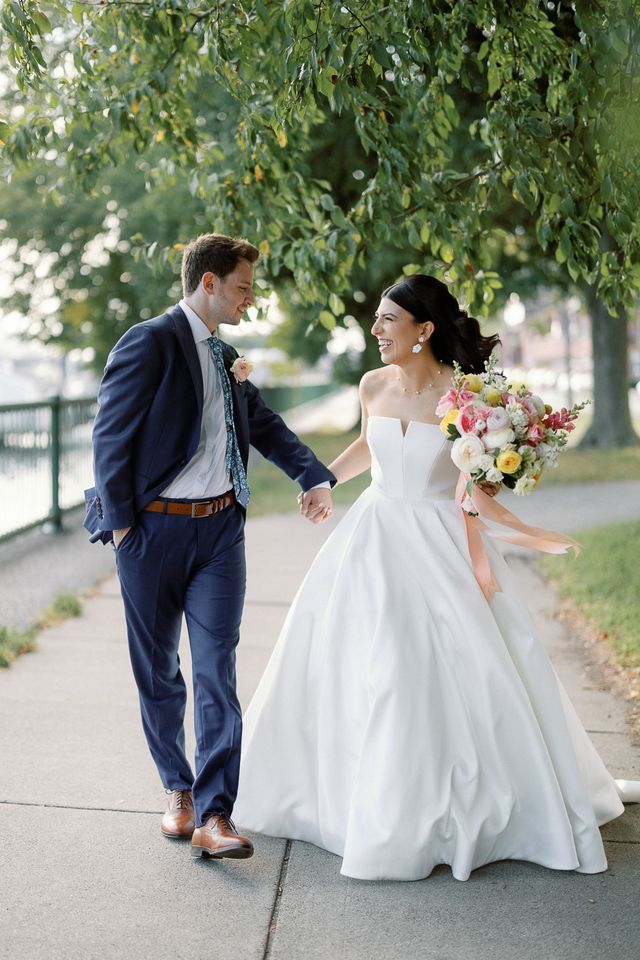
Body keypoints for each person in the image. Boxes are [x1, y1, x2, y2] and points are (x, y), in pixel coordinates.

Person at [233, 273, 637, 882]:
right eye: (375, 319)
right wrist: (320, 482)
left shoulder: (470, 396)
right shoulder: (372, 384)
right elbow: (368, 448)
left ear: (424, 330)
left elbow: (489, 478)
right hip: (372, 540)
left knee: (445, 668)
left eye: (388, 320)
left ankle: (455, 808)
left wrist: (491, 469)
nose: (376, 330)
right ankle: (361, 803)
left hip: (442, 543)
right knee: (366, 666)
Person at [83, 232, 335, 861]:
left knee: (216, 668)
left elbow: (262, 423)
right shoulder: (150, 340)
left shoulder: (225, 355)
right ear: (210, 282)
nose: (250, 299)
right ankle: (179, 789)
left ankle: (216, 813)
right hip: (151, 531)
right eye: (244, 287)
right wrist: (120, 525)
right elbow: (109, 435)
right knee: (159, 672)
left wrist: (312, 473)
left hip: (221, 531)